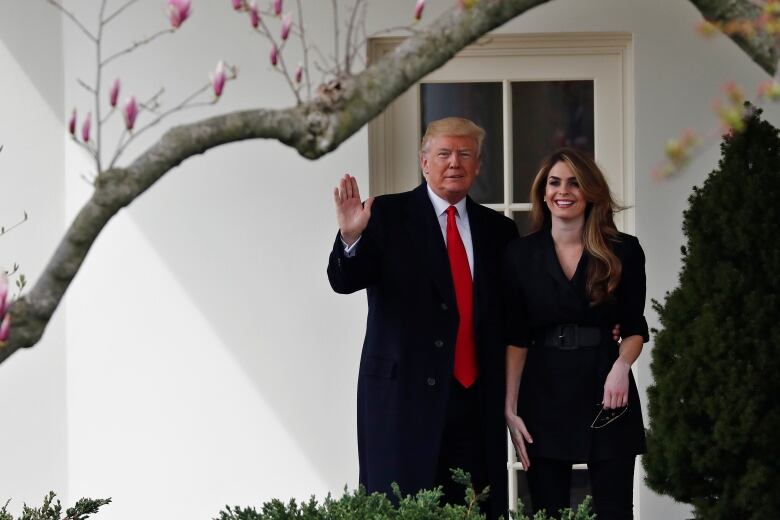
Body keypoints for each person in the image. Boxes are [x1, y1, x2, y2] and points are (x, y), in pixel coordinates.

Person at [328, 117, 518, 519]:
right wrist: (350, 238)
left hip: (475, 401)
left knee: (473, 507)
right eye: (444, 153)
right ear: (424, 161)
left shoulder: (499, 230)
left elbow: (514, 309)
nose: (455, 163)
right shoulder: (386, 215)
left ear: (479, 165)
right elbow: (345, 281)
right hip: (402, 400)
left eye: (465, 154)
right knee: (402, 508)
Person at [503, 148, 648, 520]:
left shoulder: (623, 250)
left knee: (614, 510)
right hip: (543, 390)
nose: (562, 191)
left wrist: (621, 367)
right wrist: (510, 406)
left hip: (607, 388)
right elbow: (516, 337)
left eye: (574, 183)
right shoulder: (520, 255)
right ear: (543, 191)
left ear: (590, 192)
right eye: (554, 182)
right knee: (547, 510)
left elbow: (634, 328)